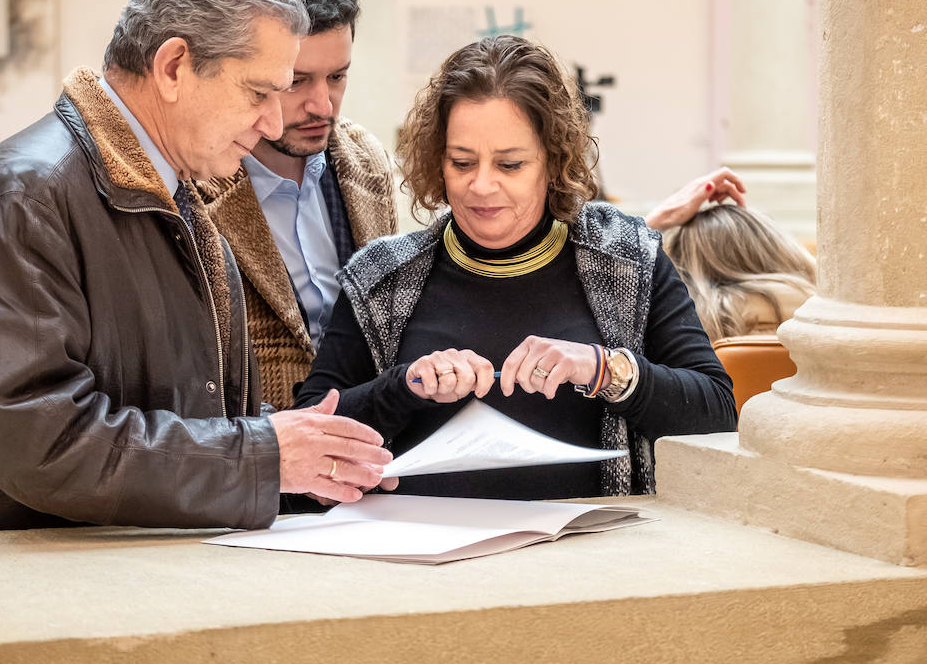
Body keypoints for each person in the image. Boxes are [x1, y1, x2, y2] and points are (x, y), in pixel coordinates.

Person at [0, 0, 394, 536]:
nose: (274, 124)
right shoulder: (22, 198)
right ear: (174, 66)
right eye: (260, 93)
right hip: (5, 593)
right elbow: (42, 444)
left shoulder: (178, 188)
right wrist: (266, 454)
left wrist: (310, 453)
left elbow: (187, 411)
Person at [296, 35, 737, 500]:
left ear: (554, 162)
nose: (481, 186)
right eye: (461, 162)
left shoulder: (626, 259)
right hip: (423, 559)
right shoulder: (381, 279)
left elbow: (715, 413)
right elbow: (310, 428)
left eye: (510, 165)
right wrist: (403, 387)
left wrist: (604, 369)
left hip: (593, 559)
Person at [200, 0, 397, 411]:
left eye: (338, 77)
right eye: (296, 81)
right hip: (253, 460)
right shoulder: (193, 182)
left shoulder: (368, 162)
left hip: (372, 450)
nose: (322, 105)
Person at [662, 203, 817, 342]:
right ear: (780, 249)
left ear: (686, 266)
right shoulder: (820, 310)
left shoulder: (688, 325)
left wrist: (655, 223)